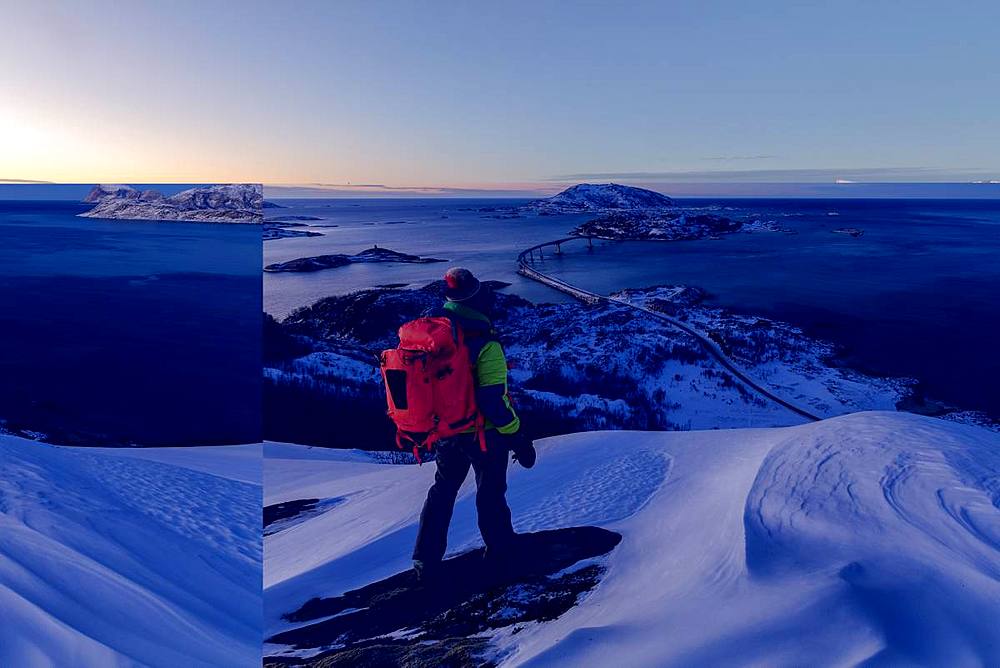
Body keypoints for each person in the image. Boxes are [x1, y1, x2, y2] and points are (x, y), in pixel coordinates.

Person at [412, 267, 536, 582]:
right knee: (491, 491)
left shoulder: (435, 335)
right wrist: (519, 437)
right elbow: (493, 402)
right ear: (478, 297)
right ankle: (500, 549)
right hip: (483, 435)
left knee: (442, 491)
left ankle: (425, 560)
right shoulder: (485, 344)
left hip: (446, 431)